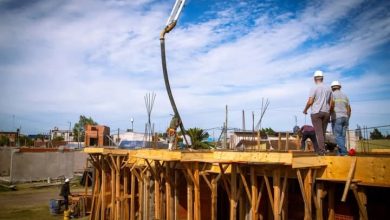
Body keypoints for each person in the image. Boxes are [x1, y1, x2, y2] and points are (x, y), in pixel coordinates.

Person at [303, 70, 332, 155]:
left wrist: (305, 109)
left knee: (318, 133)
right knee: (322, 133)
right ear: (322, 78)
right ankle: (323, 150)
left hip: (316, 113)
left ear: (315, 79)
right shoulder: (329, 89)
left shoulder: (314, 88)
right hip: (326, 112)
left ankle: (322, 151)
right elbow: (331, 102)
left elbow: (310, 101)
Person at [330, 81, 351, 156]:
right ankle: (340, 153)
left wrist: (330, 113)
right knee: (342, 137)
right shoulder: (345, 95)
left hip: (337, 117)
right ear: (340, 87)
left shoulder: (332, 94)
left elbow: (331, 105)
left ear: (332, 88)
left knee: (337, 136)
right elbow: (349, 108)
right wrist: (348, 118)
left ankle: (344, 152)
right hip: (345, 117)